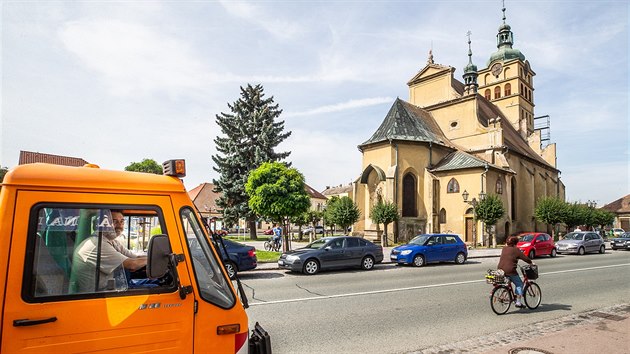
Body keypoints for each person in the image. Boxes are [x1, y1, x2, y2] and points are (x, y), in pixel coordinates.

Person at [73, 210, 148, 293]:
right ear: (101, 223)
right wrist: (151, 261)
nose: (120, 226)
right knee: (155, 287)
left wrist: (155, 258)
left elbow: (135, 258)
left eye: (122, 222)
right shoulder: (96, 244)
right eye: (114, 221)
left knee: (153, 283)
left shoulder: (111, 241)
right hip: (99, 296)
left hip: (112, 288)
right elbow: (132, 264)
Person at [497, 236, 533, 308]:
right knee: (519, 284)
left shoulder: (504, 248)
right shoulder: (516, 250)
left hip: (500, 269)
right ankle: (518, 302)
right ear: (515, 243)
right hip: (510, 270)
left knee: (508, 281)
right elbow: (525, 258)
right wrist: (531, 263)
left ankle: (506, 291)